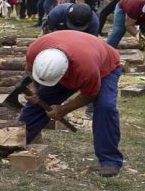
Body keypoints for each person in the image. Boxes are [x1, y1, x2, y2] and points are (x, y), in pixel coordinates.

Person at [20, 32, 123, 177]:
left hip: (105, 67)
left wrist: (63, 109)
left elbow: (89, 95)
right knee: (41, 100)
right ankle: (17, 142)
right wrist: (33, 87)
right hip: (75, 58)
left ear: (64, 72)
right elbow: (29, 70)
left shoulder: (86, 69)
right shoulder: (35, 50)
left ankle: (110, 161)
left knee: (105, 107)